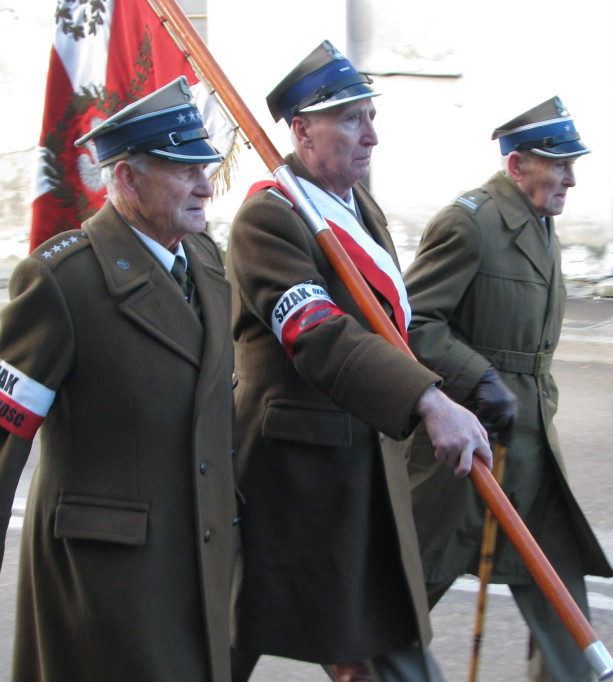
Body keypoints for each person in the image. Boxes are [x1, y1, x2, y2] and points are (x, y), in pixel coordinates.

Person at [0, 77, 238, 681]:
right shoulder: (64, 282)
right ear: (125, 180)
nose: (206, 184)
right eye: (184, 169)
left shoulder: (203, 259)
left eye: (206, 165)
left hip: (197, 549)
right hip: (108, 569)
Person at [225, 41, 492, 682]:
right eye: (351, 119)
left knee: (370, 646)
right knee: (224, 641)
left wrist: (468, 384)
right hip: (291, 479)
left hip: (361, 461)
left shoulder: (356, 204)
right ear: (301, 130)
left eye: (370, 116)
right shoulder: (270, 217)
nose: (371, 135)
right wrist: (427, 401)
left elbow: (391, 328)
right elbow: (320, 334)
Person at [401, 97, 613, 682]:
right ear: (517, 164)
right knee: (398, 600)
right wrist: (480, 377)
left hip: (532, 445)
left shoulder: (543, 224)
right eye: (558, 163)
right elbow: (414, 321)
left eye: (573, 164)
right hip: (466, 446)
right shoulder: (469, 222)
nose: (570, 177)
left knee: (561, 598)